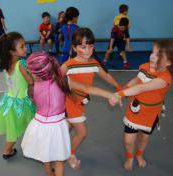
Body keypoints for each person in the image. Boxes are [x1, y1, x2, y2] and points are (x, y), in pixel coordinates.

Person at [61, 27, 122, 170]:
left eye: (90, 46)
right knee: (82, 132)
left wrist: (119, 86)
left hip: (80, 102)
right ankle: (70, 153)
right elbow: (56, 81)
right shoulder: (67, 66)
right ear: (75, 48)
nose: (88, 50)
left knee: (68, 126)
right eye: (83, 47)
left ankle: (60, 143)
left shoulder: (93, 63)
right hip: (69, 102)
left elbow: (106, 76)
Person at [116, 40, 173, 171]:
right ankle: (130, 157)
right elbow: (137, 80)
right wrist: (123, 89)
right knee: (128, 140)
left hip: (150, 114)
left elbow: (142, 87)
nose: (152, 56)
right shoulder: (144, 67)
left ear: (169, 62)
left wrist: (120, 94)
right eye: (152, 52)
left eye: (158, 55)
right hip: (135, 110)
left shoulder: (165, 78)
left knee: (143, 137)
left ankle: (139, 154)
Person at [21, 52, 71, 176]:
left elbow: (36, 103)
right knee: (59, 160)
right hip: (58, 125)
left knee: (46, 157)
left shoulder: (31, 89)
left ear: (35, 73)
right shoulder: (63, 82)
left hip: (40, 125)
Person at [0, 32, 35, 159]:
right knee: (28, 125)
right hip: (21, 103)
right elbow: (31, 82)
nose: (25, 48)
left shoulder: (6, 63)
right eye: (22, 46)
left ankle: (7, 151)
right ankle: (30, 148)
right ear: (12, 51)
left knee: (13, 128)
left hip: (9, 101)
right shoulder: (21, 64)